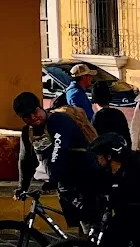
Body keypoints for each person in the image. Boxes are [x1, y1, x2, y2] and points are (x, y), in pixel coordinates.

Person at [11, 92, 104, 228]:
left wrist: (53, 179)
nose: (33, 117)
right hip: (65, 185)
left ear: (40, 107)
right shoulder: (28, 132)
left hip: (85, 179)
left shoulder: (59, 121)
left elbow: (59, 150)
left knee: (90, 224)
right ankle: (85, 246)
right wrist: (22, 187)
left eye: (35, 112)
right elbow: (26, 161)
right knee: (77, 226)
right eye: (27, 116)